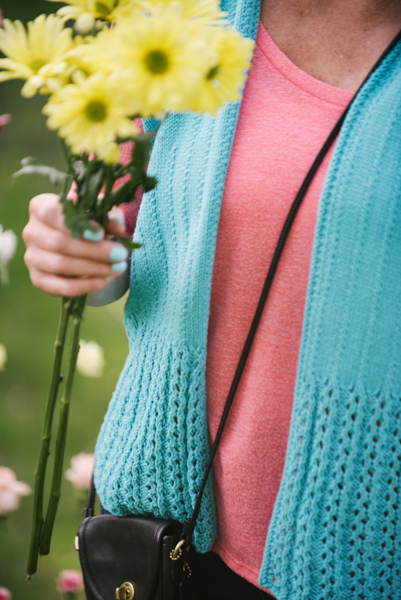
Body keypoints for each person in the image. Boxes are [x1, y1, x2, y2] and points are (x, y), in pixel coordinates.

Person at [22, 1, 401, 598]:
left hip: (371, 552)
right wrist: (72, 249)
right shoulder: (174, 15)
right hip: (171, 536)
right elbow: (110, 248)